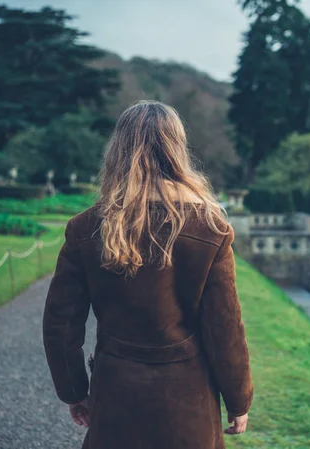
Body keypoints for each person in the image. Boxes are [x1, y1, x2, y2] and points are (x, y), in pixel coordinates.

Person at [42, 100, 254, 449]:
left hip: (115, 395)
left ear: (118, 150)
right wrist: (239, 399)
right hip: (189, 403)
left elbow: (60, 324)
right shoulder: (211, 228)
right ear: (176, 149)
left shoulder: (86, 228)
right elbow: (225, 327)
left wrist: (74, 391)